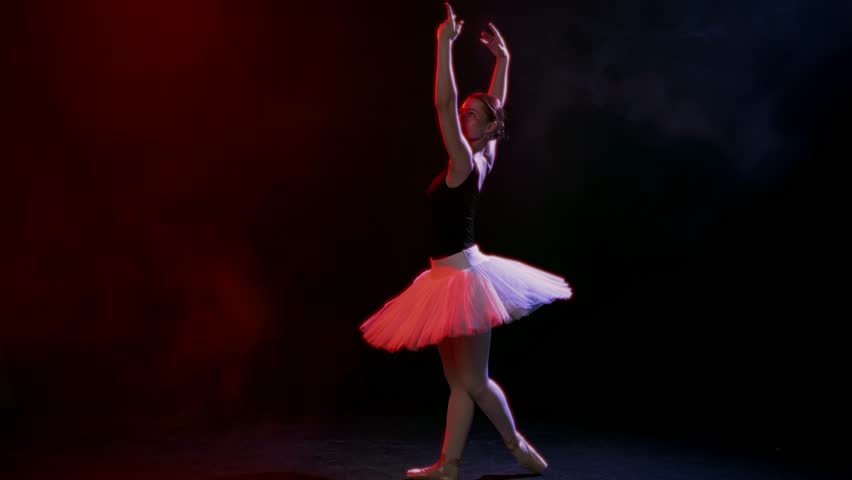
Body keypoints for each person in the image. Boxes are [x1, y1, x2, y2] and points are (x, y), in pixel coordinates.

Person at [359, 3, 572, 479]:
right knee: (457, 380)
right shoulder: (482, 156)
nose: (463, 117)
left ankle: (517, 446)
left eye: (471, 116)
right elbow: (494, 107)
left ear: (486, 128)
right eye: (464, 114)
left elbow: (443, 104)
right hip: (441, 279)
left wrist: (443, 45)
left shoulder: (466, 162)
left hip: (465, 278)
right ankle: (448, 464)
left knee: (473, 379)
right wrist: (504, 62)